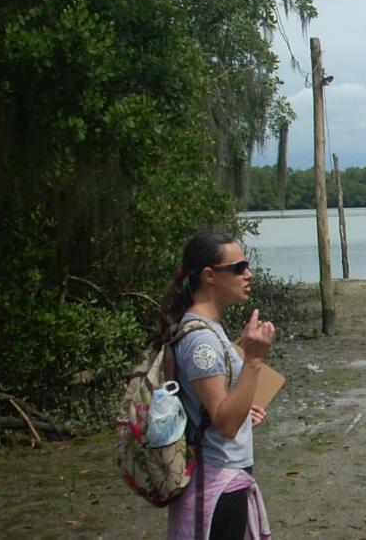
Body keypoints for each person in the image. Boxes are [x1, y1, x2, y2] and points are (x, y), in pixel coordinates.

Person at [156, 231, 275, 540]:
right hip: (216, 482)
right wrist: (253, 359)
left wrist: (244, 411)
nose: (248, 274)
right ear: (210, 275)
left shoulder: (207, 330)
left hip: (226, 475)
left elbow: (213, 411)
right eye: (239, 267)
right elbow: (224, 424)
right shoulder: (202, 341)